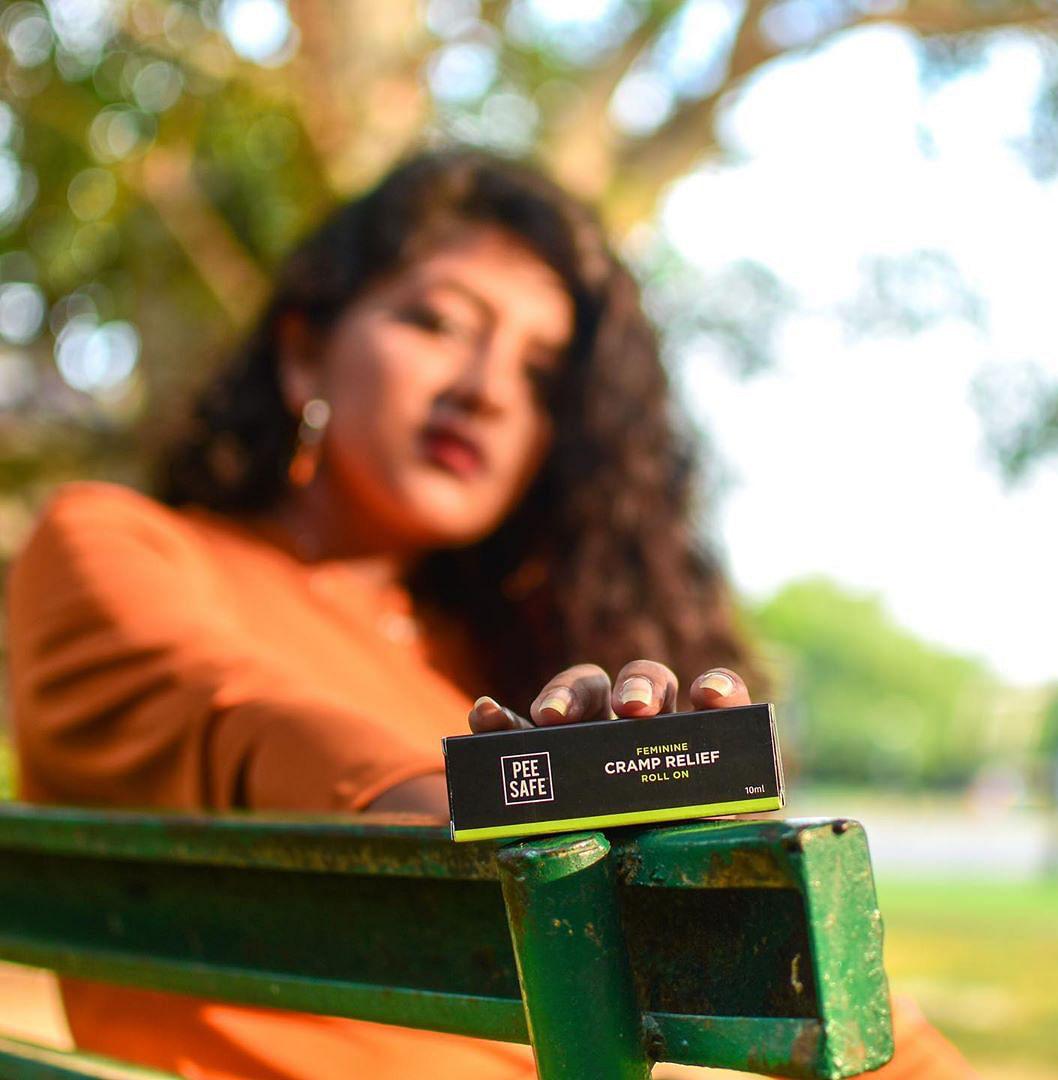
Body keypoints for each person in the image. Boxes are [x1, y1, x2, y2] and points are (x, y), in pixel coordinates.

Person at [6, 147, 974, 1079]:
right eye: (436, 323)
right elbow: (243, 722)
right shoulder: (118, 545)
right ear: (303, 351)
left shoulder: (500, 657)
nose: (485, 392)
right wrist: (530, 798)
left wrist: (625, 792)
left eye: (540, 377)